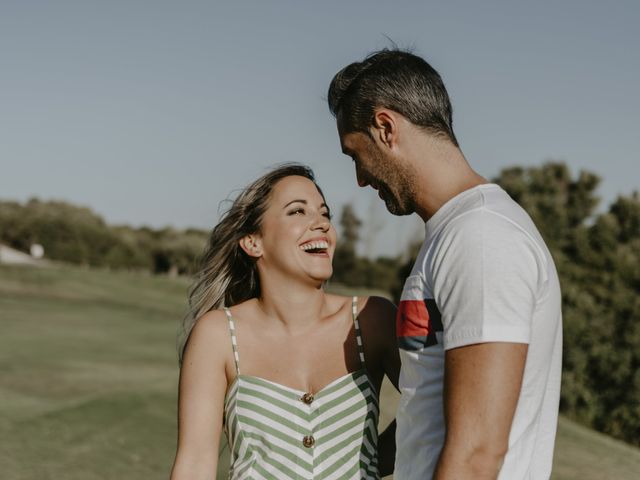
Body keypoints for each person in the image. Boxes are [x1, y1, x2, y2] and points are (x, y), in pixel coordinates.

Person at [327, 49, 562, 479]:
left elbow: (477, 453)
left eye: (354, 155)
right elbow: (427, 407)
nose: (360, 178)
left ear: (385, 127)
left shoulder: (482, 238)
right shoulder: (453, 235)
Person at [170, 164, 400, 480]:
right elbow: (194, 465)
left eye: (324, 214)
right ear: (253, 242)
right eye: (297, 212)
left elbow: (434, 409)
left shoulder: (371, 318)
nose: (320, 224)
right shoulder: (218, 334)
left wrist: (370, 462)